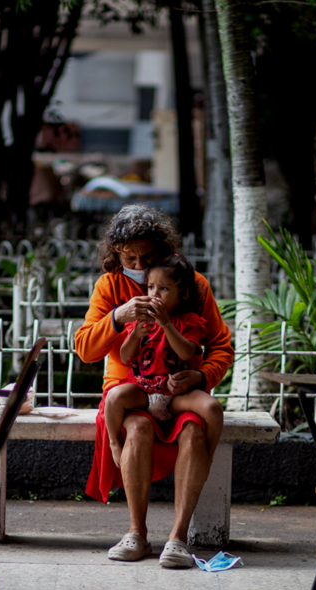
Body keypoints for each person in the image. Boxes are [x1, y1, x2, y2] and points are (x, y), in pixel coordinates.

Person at [75, 205, 232, 569]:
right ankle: (136, 533)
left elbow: (220, 346)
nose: (139, 263)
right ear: (115, 254)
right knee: (139, 428)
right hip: (129, 390)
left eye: (147, 256)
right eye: (129, 257)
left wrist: (202, 376)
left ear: (163, 248)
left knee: (194, 431)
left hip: (178, 392)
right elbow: (84, 348)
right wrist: (118, 317)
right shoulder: (109, 286)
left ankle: (177, 539)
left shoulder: (193, 285)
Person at [103, 253, 223, 467]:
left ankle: (209, 454)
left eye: (164, 289)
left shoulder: (190, 321)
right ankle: (113, 443)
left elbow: (187, 352)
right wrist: (135, 335)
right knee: (113, 397)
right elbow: (125, 356)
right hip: (143, 391)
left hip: (177, 395)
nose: (154, 295)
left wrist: (167, 324)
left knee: (213, 408)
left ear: (183, 294)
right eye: (150, 288)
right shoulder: (141, 320)